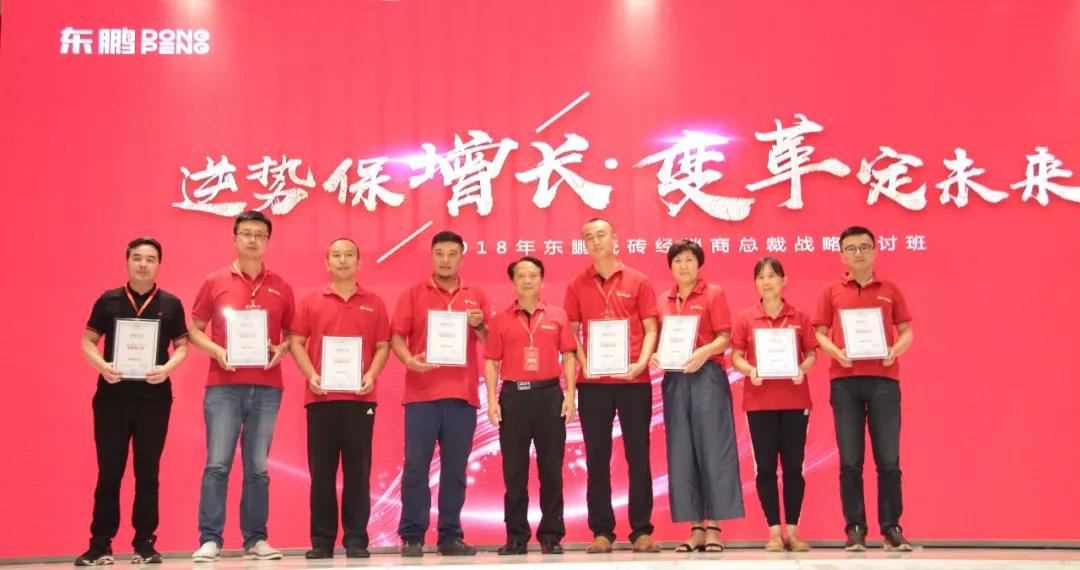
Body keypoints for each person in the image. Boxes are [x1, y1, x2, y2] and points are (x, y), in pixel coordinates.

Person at [188, 210, 295, 562]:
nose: (253, 240)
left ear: (268, 242)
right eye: (246, 233)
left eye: (260, 235)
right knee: (217, 464)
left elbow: (292, 334)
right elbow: (194, 329)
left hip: (267, 387)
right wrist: (217, 351)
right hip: (224, 386)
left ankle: (256, 539)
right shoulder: (214, 281)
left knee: (258, 469)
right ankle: (210, 538)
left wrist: (282, 348)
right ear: (234, 238)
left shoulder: (281, 285)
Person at [76, 238, 189, 566]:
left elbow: (182, 346)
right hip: (111, 398)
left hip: (154, 399)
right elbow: (88, 341)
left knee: (147, 473)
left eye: (150, 259)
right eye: (137, 258)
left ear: (159, 264)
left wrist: (167, 369)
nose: (143, 264)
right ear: (127, 261)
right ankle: (100, 544)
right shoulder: (108, 300)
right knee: (109, 472)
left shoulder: (171, 303)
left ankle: (145, 544)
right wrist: (102, 366)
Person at [563, 218, 661, 554]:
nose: (595, 241)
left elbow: (651, 327)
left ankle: (641, 530)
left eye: (601, 235)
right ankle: (602, 531)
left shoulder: (638, 280)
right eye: (588, 237)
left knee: (638, 454)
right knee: (597, 458)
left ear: (615, 239)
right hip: (594, 384)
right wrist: (584, 361)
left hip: (633, 379)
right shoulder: (576, 284)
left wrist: (641, 363)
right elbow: (571, 332)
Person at [814, 226, 914, 551]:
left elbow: (907, 332)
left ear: (874, 251)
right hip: (844, 382)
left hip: (884, 381)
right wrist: (836, 352)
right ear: (842, 255)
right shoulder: (831, 291)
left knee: (889, 459)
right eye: (852, 248)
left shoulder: (891, 290)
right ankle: (855, 528)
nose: (858, 253)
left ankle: (891, 528)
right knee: (850, 460)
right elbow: (819, 334)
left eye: (864, 247)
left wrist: (894, 351)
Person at [289, 238, 391, 559]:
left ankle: (356, 539)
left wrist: (371, 374)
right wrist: (311, 375)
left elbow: (382, 346)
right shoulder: (310, 300)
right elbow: (296, 341)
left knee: (358, 473)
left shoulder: (374, 302)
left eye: (349, 255)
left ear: (358, 262)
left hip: (361, 399)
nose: (342, 260)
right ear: (327, 262)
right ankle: (322, 541)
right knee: (321, 473)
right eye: (336, 255)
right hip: (321, 398)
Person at [390, 230, 489, 557]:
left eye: (452, 254)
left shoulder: (476, 295)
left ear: (462, 257)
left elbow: (491, 341)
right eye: (439, 253)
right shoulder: (412, 294)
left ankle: (450, 536)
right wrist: (409, 360)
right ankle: (412, 535)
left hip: (462, 396)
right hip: (421, 394)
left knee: (455, 470)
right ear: (431, 256)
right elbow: (397, 336)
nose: (445, 260)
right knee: (416, 467)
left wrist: (479, 325)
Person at [651, 239, 744, 553]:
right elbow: (658, 339)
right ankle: (695, 528)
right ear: (670, 266)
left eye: (689, 259)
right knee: (682, 452)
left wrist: (703, 353)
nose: (684, 266)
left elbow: (724, 338)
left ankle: (714, 526)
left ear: (699, 264)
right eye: (678, 261)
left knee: (714, 450)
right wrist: (655, 355)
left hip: (707, 377)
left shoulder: (713, 294)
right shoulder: (663, 300)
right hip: (675, 379)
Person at [483, 256, 577, 555]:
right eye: (521, 276)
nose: (527, 280)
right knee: (514, 472)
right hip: (514, 398)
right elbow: (491, 361)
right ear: (512, 282)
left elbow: (569, 356)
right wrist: (492, 400)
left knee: (551, 470)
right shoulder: (500, 319)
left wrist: (571, 395)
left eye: (533, 275)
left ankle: (551, 535)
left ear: (542, 280)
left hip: (549, 396)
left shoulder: (558, 316)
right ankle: (516, 536)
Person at [730, 257, 817, 552]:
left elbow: (811, 354)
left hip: (795, 400)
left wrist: (802, 369)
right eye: (761, 277)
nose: (766, 281)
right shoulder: (746, 318)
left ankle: (793, 531)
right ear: (755, 283)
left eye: (772, 276)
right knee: (765, 468)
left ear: (784, 280)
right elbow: (736, 357)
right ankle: (774, 533)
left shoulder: (799, 316)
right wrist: (750, 370)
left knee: (793, 467)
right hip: (759, 402)